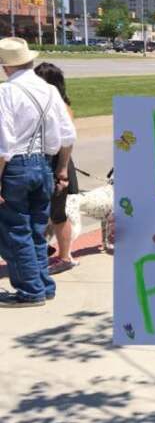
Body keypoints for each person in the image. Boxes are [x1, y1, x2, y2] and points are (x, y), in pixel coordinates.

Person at [0, 38, 77, 307]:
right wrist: (62, 169)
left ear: (6, 66)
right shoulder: (50, 91)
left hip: (16, 168)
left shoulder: (6, 93)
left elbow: (4, 145)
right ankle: (42, 285)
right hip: (44, 164)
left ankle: (30, 289)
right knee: (35, 230)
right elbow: (68, 136)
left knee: (14, 230)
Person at [33, 62, 80, 274]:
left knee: (58, 214)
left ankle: (65, 256)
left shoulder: (62, 107)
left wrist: (61, 171)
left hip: (57, 164)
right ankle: (45, 250)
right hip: (47, 164)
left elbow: (66, 140)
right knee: (44, 212)